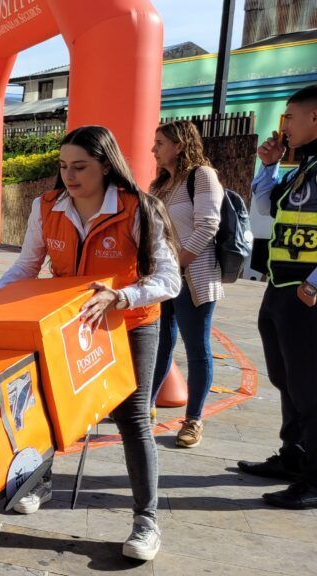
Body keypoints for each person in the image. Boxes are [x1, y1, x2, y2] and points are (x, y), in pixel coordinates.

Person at [0, 126, 179, 561]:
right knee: (51, 406)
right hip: (66, 325)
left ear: (107, 166)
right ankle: (40, 482)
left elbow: (169, 280)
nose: (69, 176)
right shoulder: (47, 206)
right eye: (63, 166)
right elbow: (27, 264)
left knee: (133, 418)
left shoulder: (140, 209)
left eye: (80, 167)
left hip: (129, 323)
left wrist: (121, 297)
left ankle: (146, 520)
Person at [238, 84, 317, 510]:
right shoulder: (302, 167)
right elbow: (265, 213)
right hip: (282, 288)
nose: (284, 125)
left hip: (307, 295)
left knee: (310, 387)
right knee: (287, 380)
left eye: (291, 117)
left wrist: (314, 283)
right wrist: (267, 166)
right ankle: (293, 456)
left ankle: (314, 477)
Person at [148, 120, 224, 447]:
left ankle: (193, 420)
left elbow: (208, 226)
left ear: (179, 145)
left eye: (160, 143)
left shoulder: (202, 176)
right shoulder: (160, 184)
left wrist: (175, 265)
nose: (154, 149)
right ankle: (145, 406)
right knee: (159, 344)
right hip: (163, 279)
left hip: (193, 277)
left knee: (197, 349)